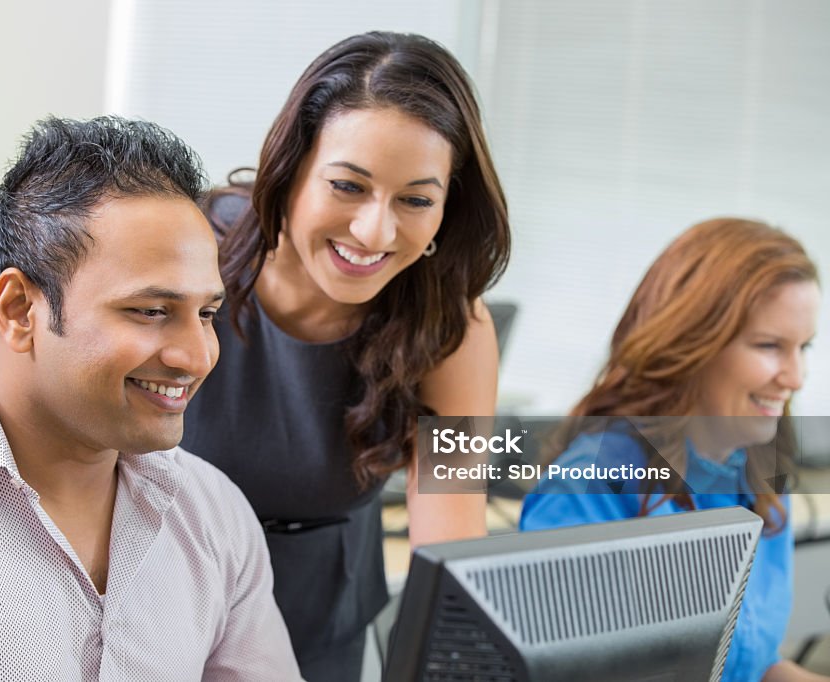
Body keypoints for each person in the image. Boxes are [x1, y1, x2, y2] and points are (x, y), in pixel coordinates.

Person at [0, 116, 302, 681]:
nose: (198, 356)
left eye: (208, 314)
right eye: (150, 311)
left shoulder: (212, 512)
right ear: (18, 310)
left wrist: (431, 531)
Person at [182, 31, 511, 680]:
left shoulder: (452, 329)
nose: (374, 231)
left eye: (416, 199)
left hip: (321, 629)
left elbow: (450, 548)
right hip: (162, 600)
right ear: (293, 167)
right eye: (348, 186)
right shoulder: (192, 248)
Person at [520, 218, 824, 682]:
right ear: (691, 343)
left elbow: (752, 664)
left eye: (803, 347)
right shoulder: (588, 487)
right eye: (769, 346)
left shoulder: (760, 475)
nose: (796, 377)